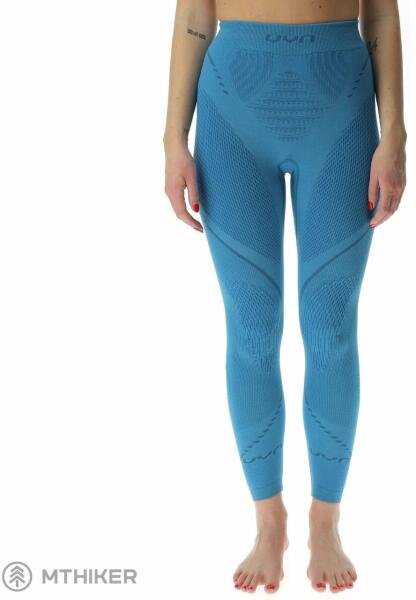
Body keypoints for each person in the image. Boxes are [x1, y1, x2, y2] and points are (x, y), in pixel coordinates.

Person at [163, 0, 406, 594]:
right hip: (233, 112)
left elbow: (380, 14)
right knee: (251, 327)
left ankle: (326, 520)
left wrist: (396, 132)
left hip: (340, 107)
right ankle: (269, 522)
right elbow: (195, 13)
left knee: (331, 326)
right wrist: (173, 139)